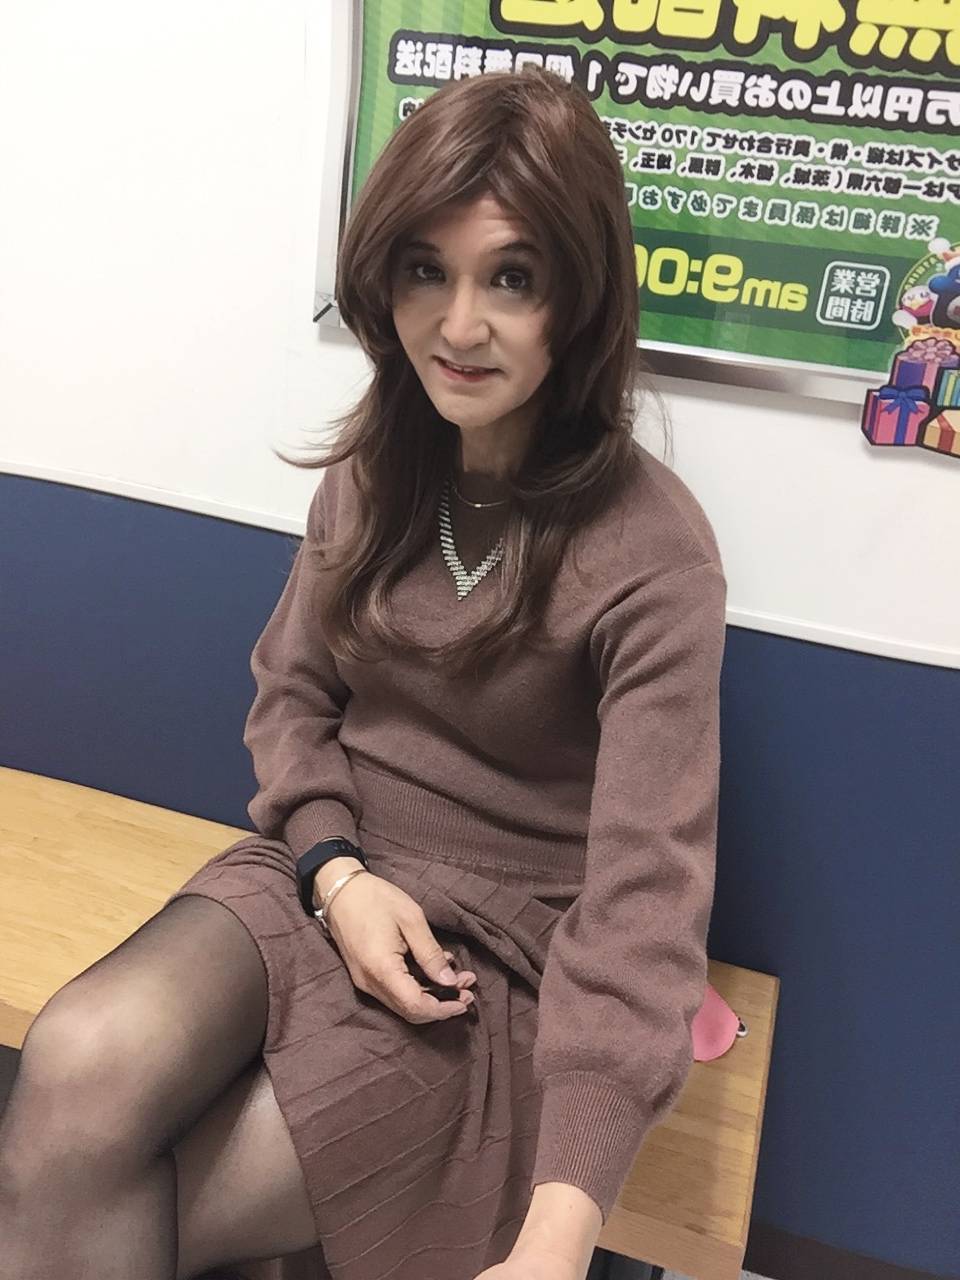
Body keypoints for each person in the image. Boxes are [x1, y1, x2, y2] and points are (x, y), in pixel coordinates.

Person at [0, 66, 727, 1280]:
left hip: (490, 957)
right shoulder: (377, 470)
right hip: (325, 870)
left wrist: (558, 1234)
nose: (459, 325)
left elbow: (646, 899)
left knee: (150, 1212)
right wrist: (335, 871)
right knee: (78, 1062)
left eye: (512, 278)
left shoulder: (655, 551)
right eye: (425, 270)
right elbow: (292, 699)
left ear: (582, 296)